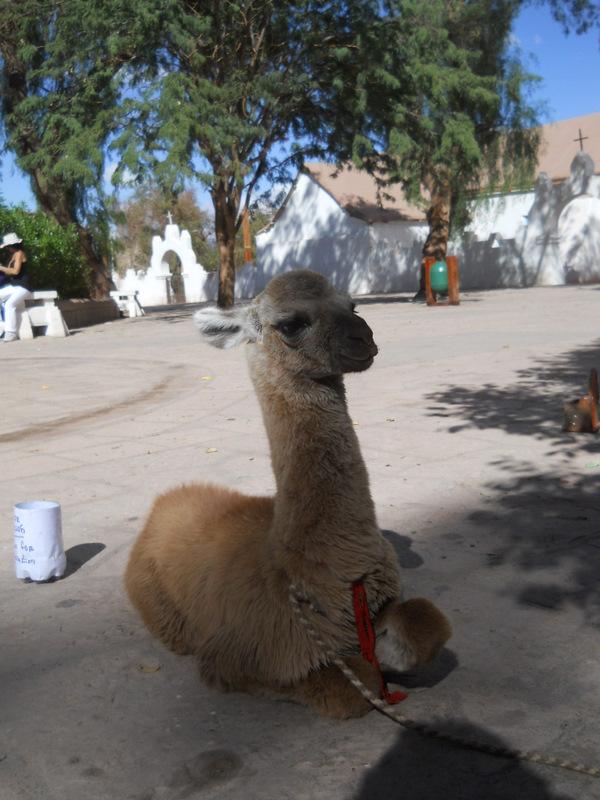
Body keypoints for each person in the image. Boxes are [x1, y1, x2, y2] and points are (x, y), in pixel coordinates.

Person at [0, 232, 31, 342]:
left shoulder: (19, 254)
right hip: (15, 286)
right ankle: (2, 328)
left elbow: (16, 271)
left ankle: (11, 333)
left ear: (11, 246)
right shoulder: (13, 255)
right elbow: (10, 272)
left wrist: (1, 268)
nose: (7, 249)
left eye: (8, 247)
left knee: (9, 304)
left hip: (23, 287)